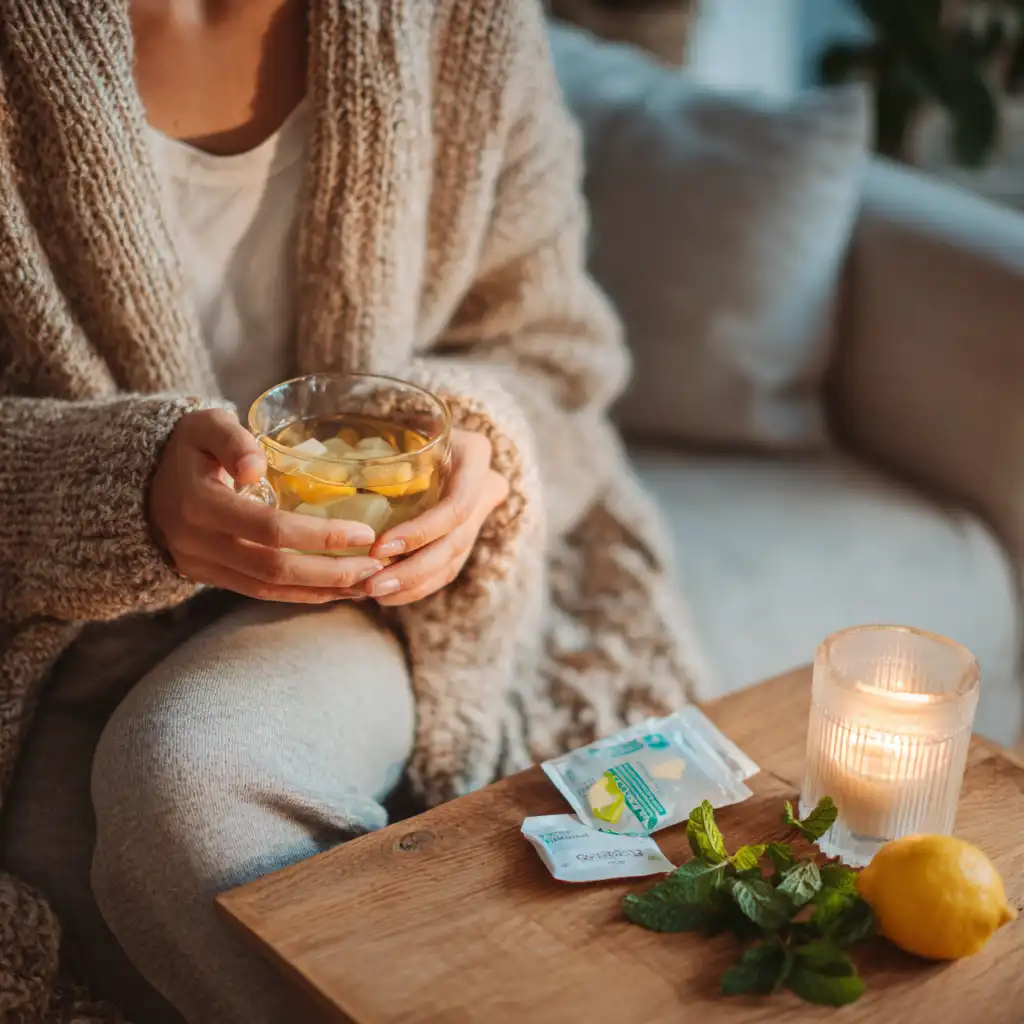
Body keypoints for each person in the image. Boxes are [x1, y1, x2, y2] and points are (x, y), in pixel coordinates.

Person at [0, 1, 700, 1022]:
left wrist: (485, 451)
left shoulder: (462, 20)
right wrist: (113, 488)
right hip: (59, 626)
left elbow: (554, 357)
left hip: (379, 597)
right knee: (90, 921)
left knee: (184, 790)